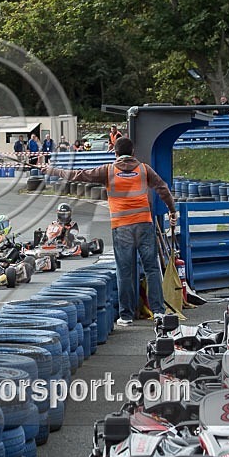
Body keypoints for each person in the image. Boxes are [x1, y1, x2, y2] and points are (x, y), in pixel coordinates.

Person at [43, 137, 177, 326]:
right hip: (144, 225)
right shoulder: (144, 169)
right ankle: (158, 312)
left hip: (121, 227)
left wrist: (52, 171)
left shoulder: (108, 170)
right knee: (152, 269)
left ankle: (126, 316)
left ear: (115, 152)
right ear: (132, 153)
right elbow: (162, 188)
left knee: (125, 272)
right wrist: (172, 210)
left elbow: (77, 175)